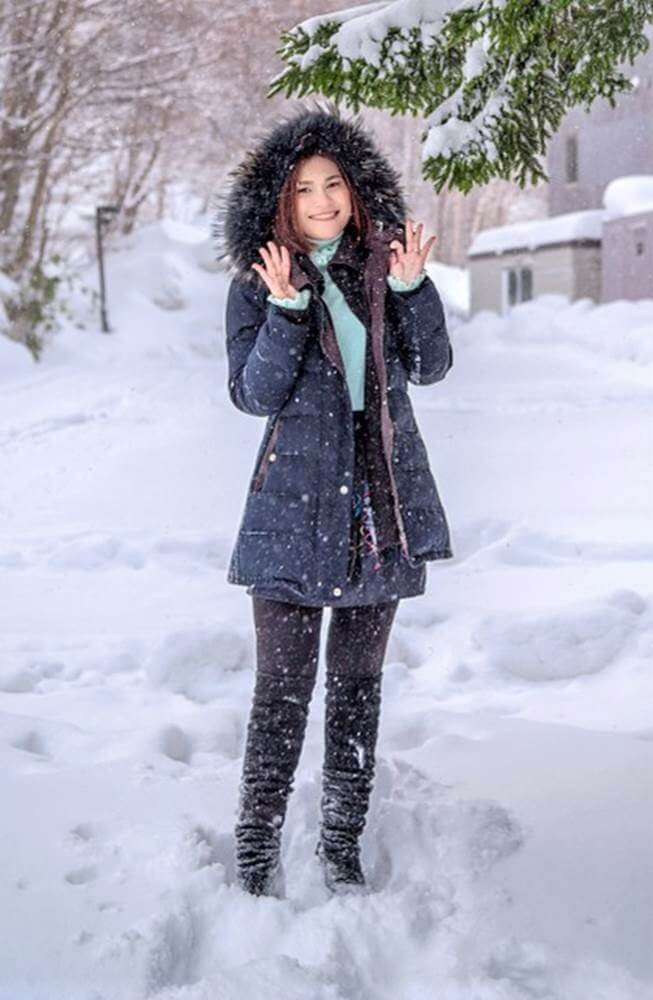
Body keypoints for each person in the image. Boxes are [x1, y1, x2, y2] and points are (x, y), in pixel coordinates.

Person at [212, 102, 454, 898]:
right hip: (291, 512)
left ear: (355, 189)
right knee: (280, 694)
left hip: (377, 514)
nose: (322, 201)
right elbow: (254, 394)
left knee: (356, 691)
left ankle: (342, 844)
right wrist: (285, 310)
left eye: (334, 184)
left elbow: (431, 366)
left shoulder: (383, 266)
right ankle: (255, 852)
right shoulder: (260, 282)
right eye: (304, 188)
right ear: (279, 201)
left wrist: (416, 289)